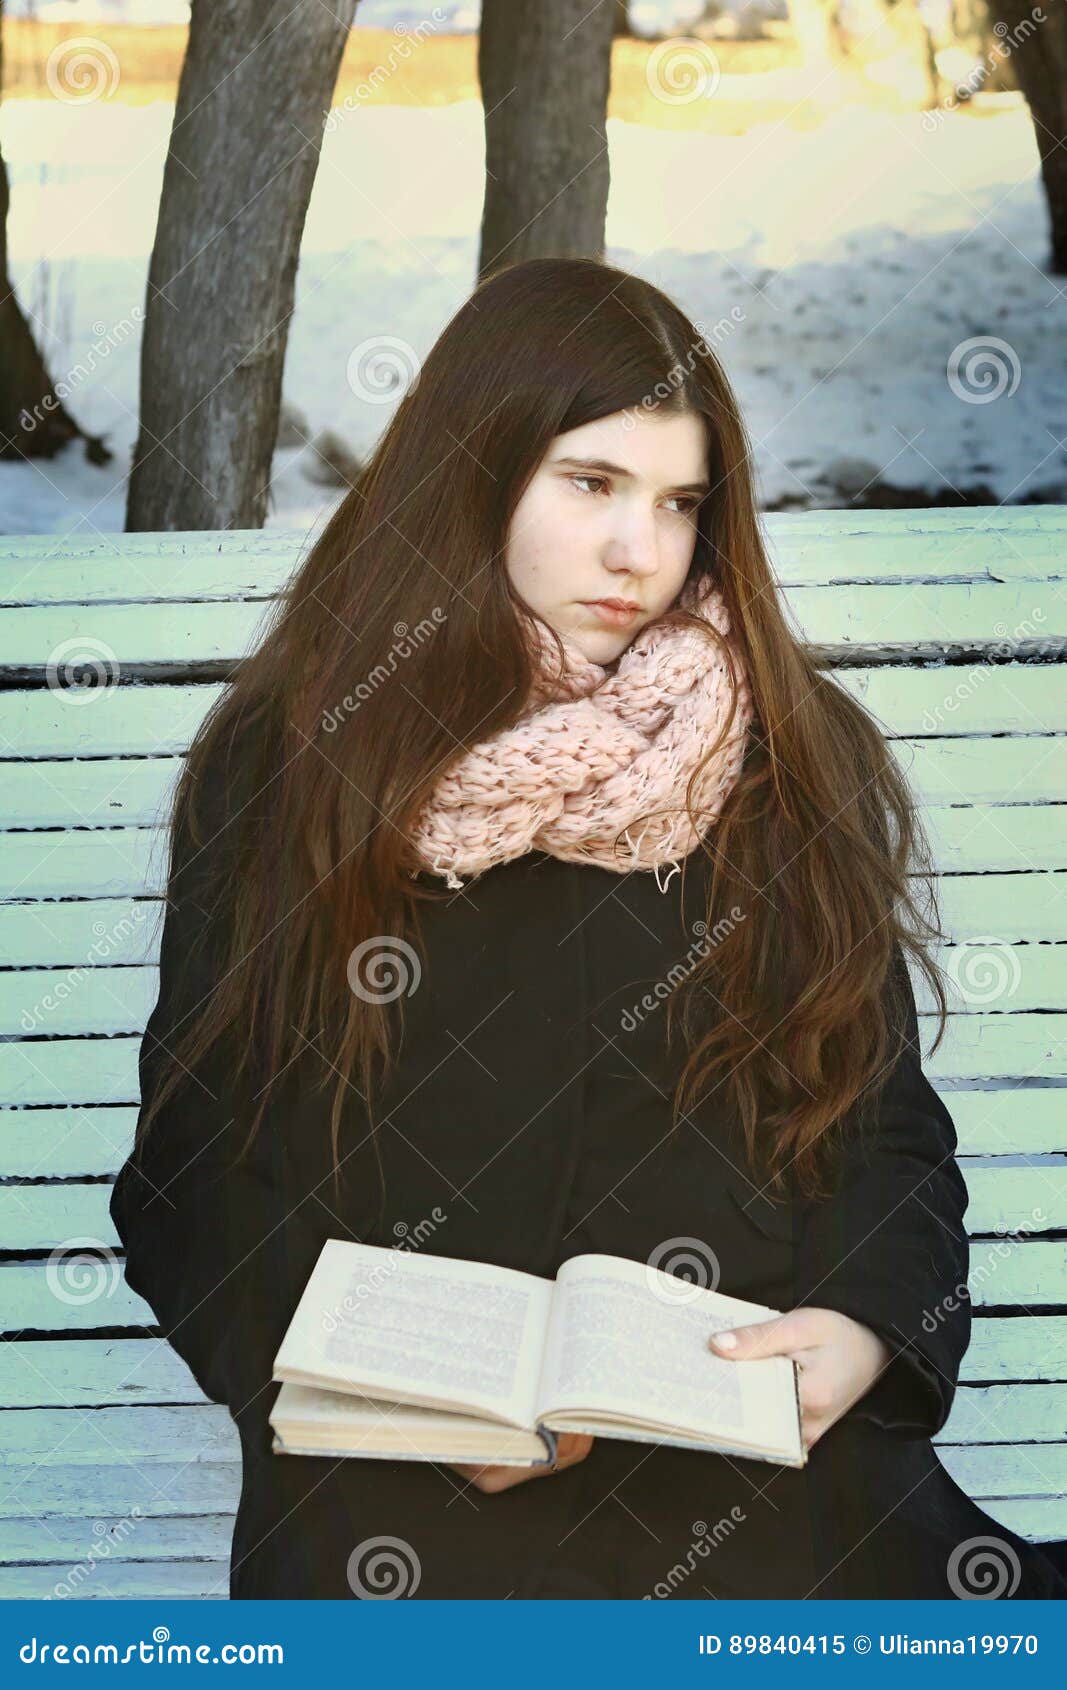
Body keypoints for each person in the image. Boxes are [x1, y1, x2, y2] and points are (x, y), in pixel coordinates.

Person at [110, 257, 1065, 1602]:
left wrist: (860, 1327)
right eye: (592, 484)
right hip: (408, 1504)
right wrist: (390, 1396)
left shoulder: (785, 750)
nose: (642, 552)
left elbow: (883, 1129)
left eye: (680, 502)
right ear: (473, 473)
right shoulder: (297, 761)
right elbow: (189, 1176)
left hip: (764, 1487)